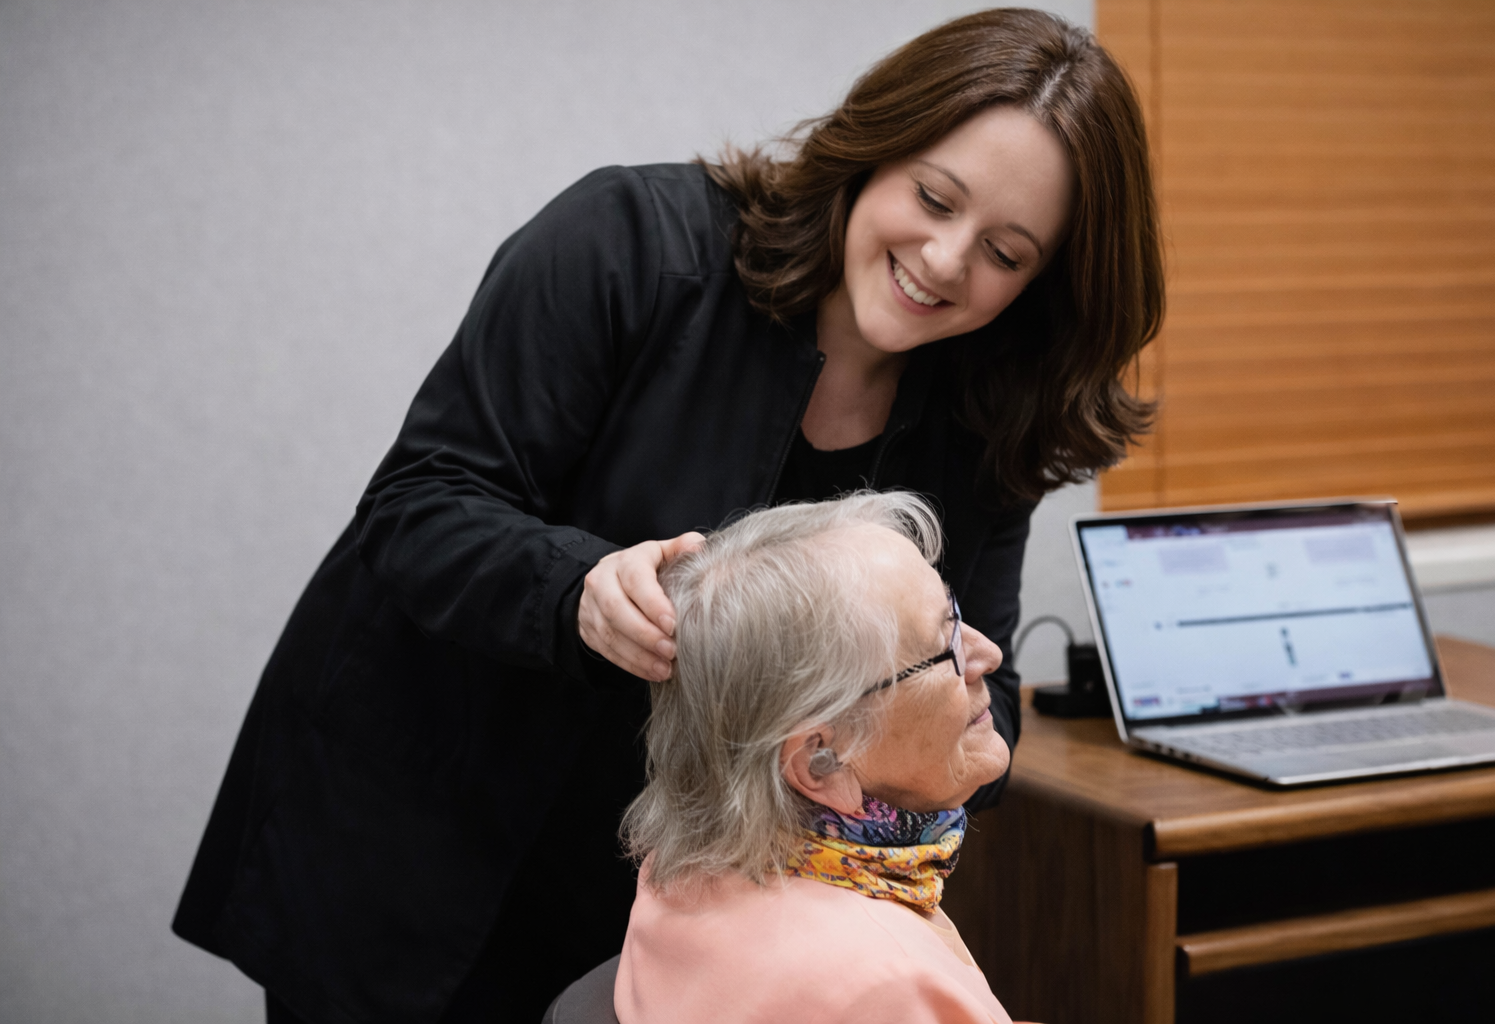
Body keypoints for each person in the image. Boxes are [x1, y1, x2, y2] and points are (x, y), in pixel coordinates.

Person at [172, 8, 1161, 1024]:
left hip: (673, 908)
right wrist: (576, 589)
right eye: (933, 197)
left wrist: (937, 724)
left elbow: (977, 715)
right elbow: (419, 505)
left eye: (1004, 252)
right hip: (417, 826)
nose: (948, 261)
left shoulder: (990, 418)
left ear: (1043, 283)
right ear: (875, 145)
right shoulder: (629, 246)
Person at [614, 492, 1023, 1024]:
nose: (987, 652)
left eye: (957, 614)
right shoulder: (887, 985)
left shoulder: (673, 876)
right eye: (944, 646)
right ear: (820, 761)